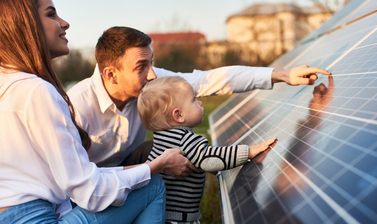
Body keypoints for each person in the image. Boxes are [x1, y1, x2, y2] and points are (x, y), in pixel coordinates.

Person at [0, 0, 194, 223]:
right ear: (24, 25)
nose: (65, 23)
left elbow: (76, 180)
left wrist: (148, 166)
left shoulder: (8, 85)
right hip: (36, 218)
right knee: (153, 185)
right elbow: (90, 193)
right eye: (51, 14)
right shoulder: (37, 91)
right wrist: (156, 167)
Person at [67, 26, 331, 168]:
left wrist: (281, 74)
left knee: (174, 148)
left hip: (130, 167)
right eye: (141, 67)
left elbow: (209, 80)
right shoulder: (76, 107)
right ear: (111, 75)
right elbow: (75, 180)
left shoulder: (152, 82)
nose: (151, 75)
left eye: (152, 63)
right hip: (92, 187)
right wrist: (153, 169)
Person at [137, 76, 278, 223]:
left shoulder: (162, 137)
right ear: (179, 115)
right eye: (193, 100)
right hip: (178, 220)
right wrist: (248, 151)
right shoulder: (184, 139)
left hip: (163, 214)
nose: (200, 102)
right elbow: (209, 158)